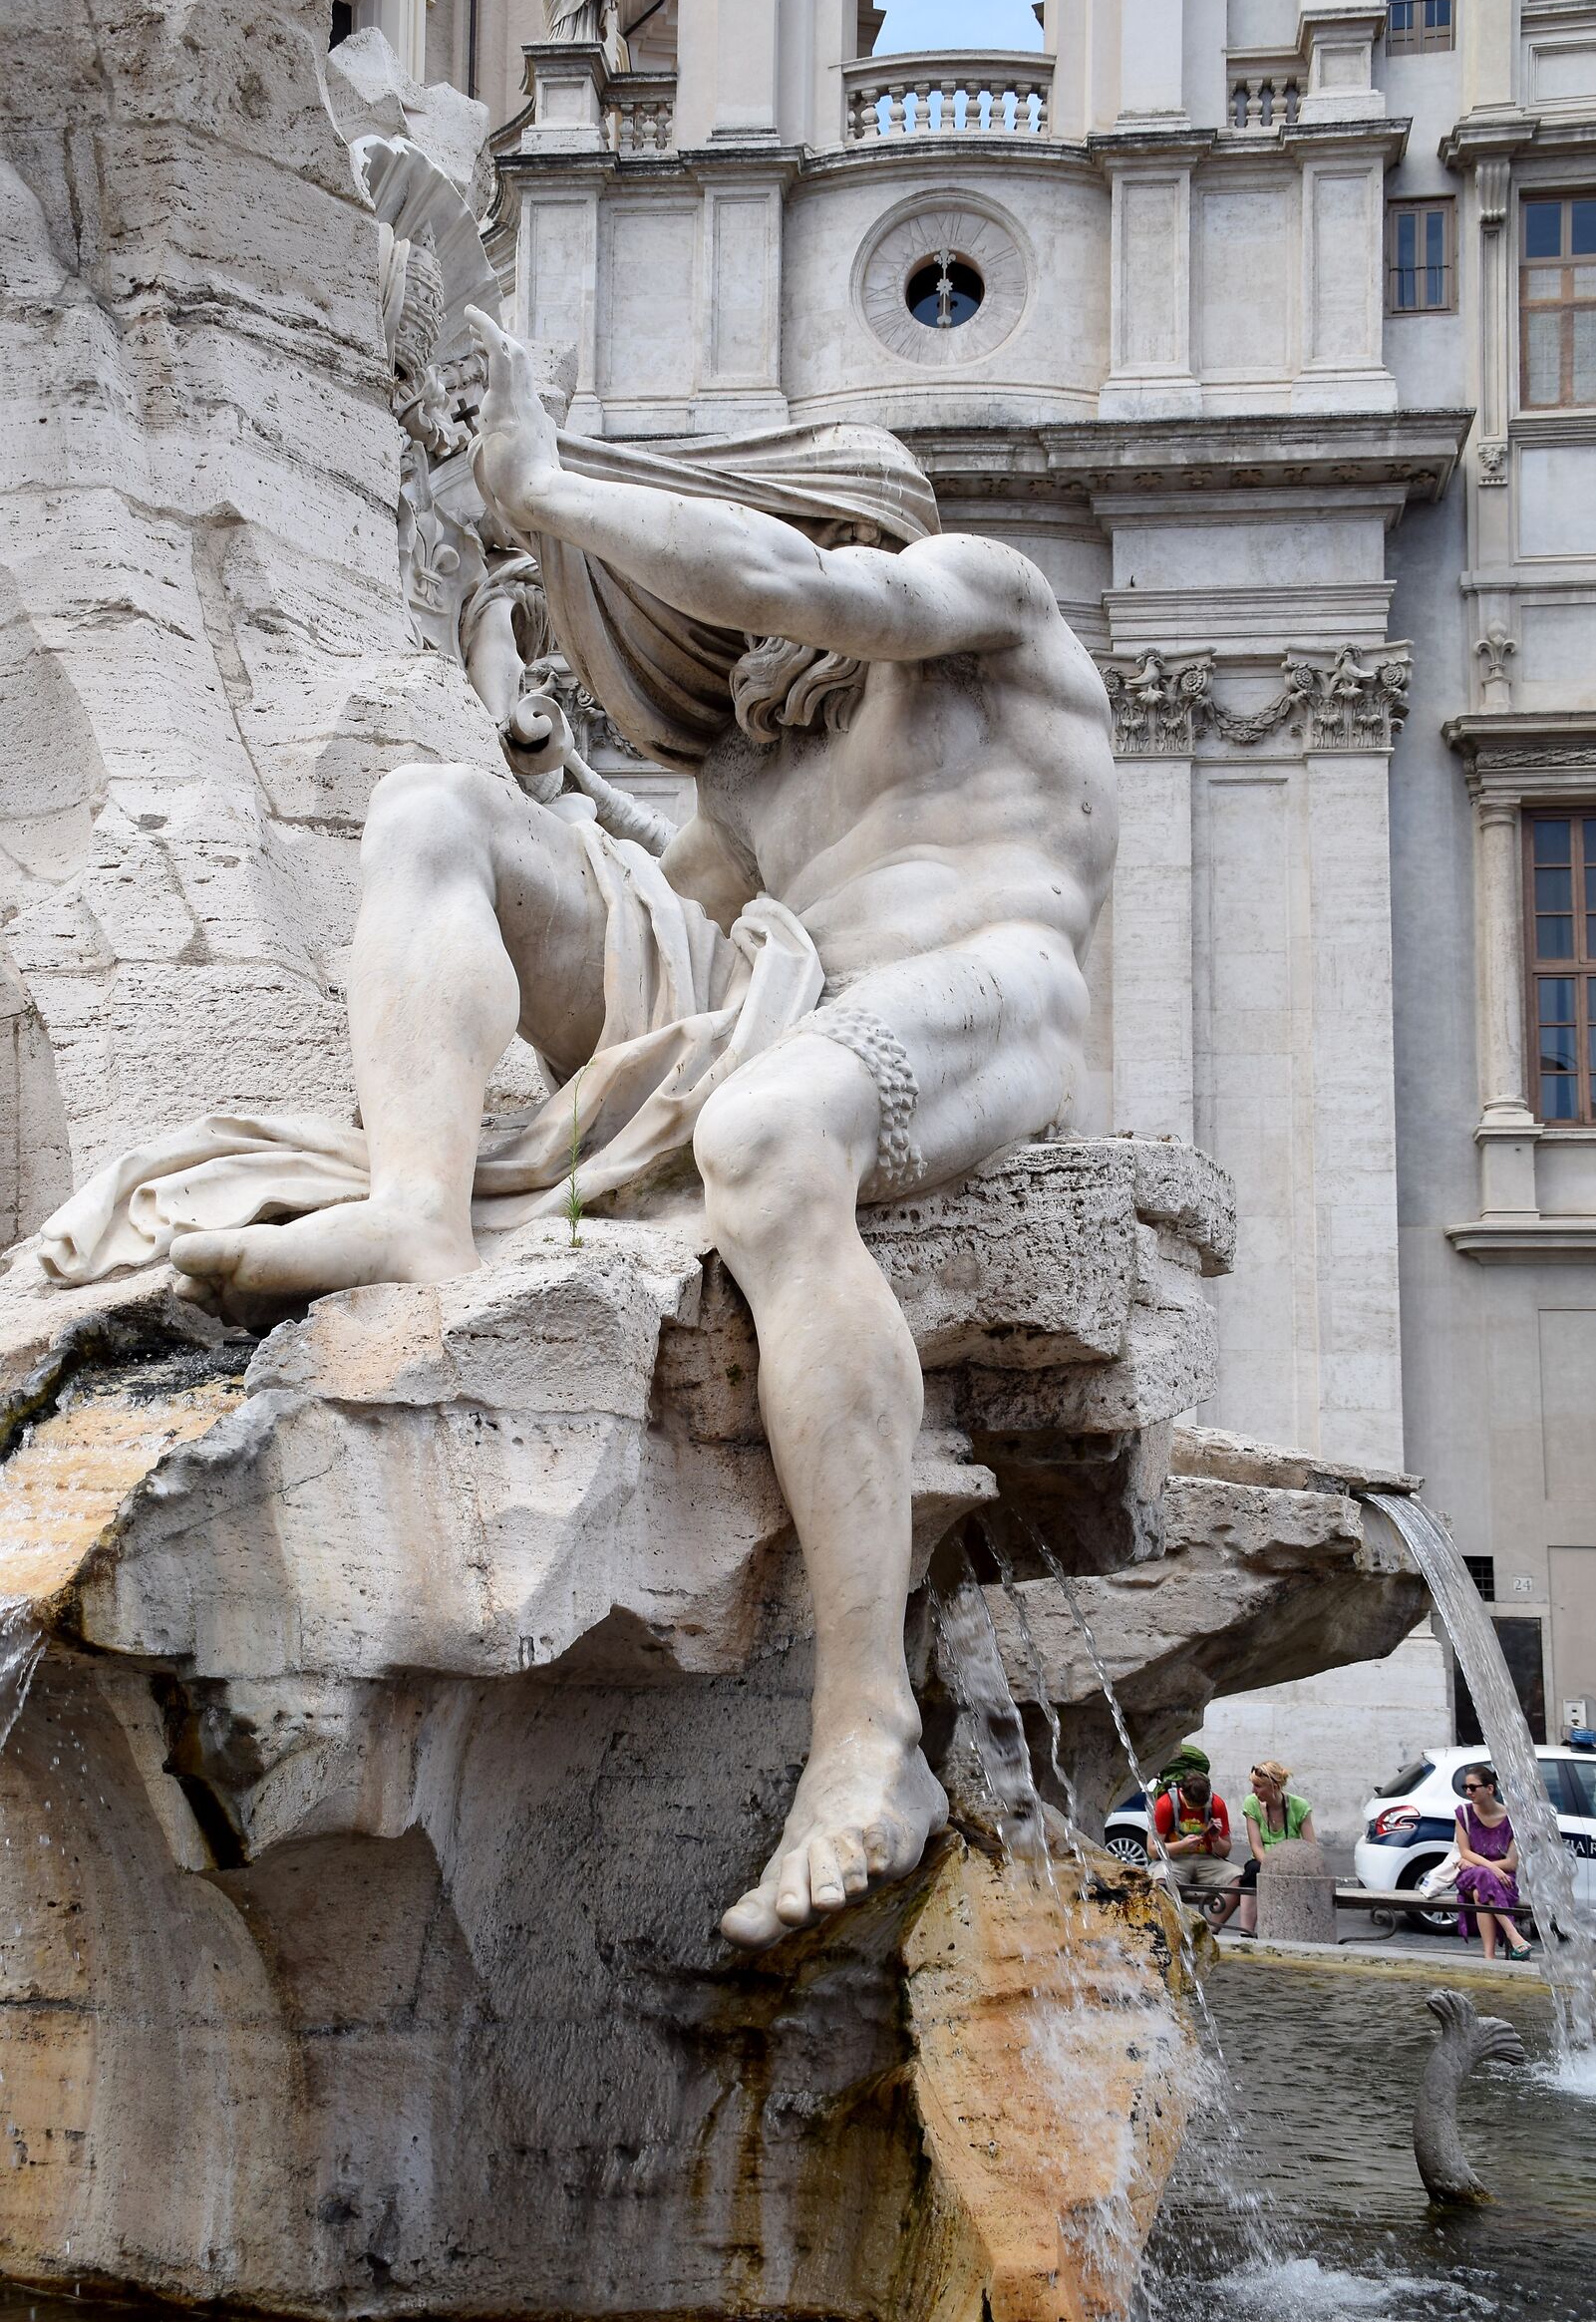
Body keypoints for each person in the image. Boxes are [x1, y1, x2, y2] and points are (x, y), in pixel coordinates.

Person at [149, 311, 1120, 1953]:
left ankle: (866, 1731)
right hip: (779, 990)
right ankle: (415, 1207)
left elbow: (809, 590)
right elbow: (673, 900)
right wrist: (553, 785)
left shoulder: (977, 598)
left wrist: (547, 492)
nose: (726, 644)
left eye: (720, 580)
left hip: (985, 987)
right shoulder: (754, 773)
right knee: (436, 812)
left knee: (766, 1132)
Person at [1454, 1764, 1533, 1959]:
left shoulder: (1513, 1820)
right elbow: (1465, 1851)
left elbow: (1512, 1863)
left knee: (1479, 1891)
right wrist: (1491, 1868)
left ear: (1489, 1789)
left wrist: (1484, 1867)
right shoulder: (1464, 1813)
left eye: (1473, 1787)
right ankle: (1513, 1935)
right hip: (1471, 1876)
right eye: (1466, 1787)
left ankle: (1489, 1957)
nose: (1468, 1792)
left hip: (1503, 1879)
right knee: (1483, 1875)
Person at [1235, 1759, 1315, 1936]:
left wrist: (1289, 1866)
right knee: (1252, 1870)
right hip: (1263, 1861)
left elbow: (1311, 1848)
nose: (1253, 1790)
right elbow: (1256, 1845)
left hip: (1292, 1862)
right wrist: (1272, 1867)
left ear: (1275, 1786)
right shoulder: (1251, 1803)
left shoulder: (1299, 1806)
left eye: (1258, 1786)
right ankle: (1246, 1933)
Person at [1151, 1768, 1241, 1925]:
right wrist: (1182, 1845)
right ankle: (1171, 1927)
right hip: (1175, 1860)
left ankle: (1212, 1929)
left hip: (1207, 1860)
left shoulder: (1216, 1804)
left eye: (1201, 1806)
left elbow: (1225, 1851)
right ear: (1182, 1792)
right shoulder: (1166, 1804)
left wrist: (1215, 1839)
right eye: (1192, 1806)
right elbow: (1152, 1850)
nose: (1197, 1810)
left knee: (1238, 1878)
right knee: (1160, 1882)